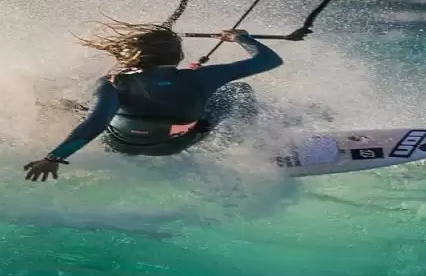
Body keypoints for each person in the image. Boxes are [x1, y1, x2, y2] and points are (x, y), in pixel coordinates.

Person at [23, 20, 306, 182]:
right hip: (174, 145)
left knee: (74, 107)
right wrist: (243, 38)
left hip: (119, 145)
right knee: (238, 91)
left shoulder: (114, 81)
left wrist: (53, 158)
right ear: (179, 57)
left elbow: (95, 124)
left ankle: (31, 128)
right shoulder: (203, 77)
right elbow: (270, 60)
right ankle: (252, 149)